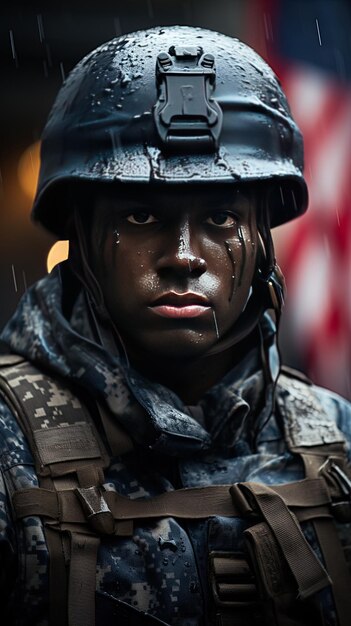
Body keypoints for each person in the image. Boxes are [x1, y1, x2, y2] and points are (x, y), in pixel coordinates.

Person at [0, 25, 350, 626]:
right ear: (78, 235)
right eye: (141, 215)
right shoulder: (9, 447)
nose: (184, 255)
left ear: (262, 242)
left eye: (219, 215)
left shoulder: (335, 439)